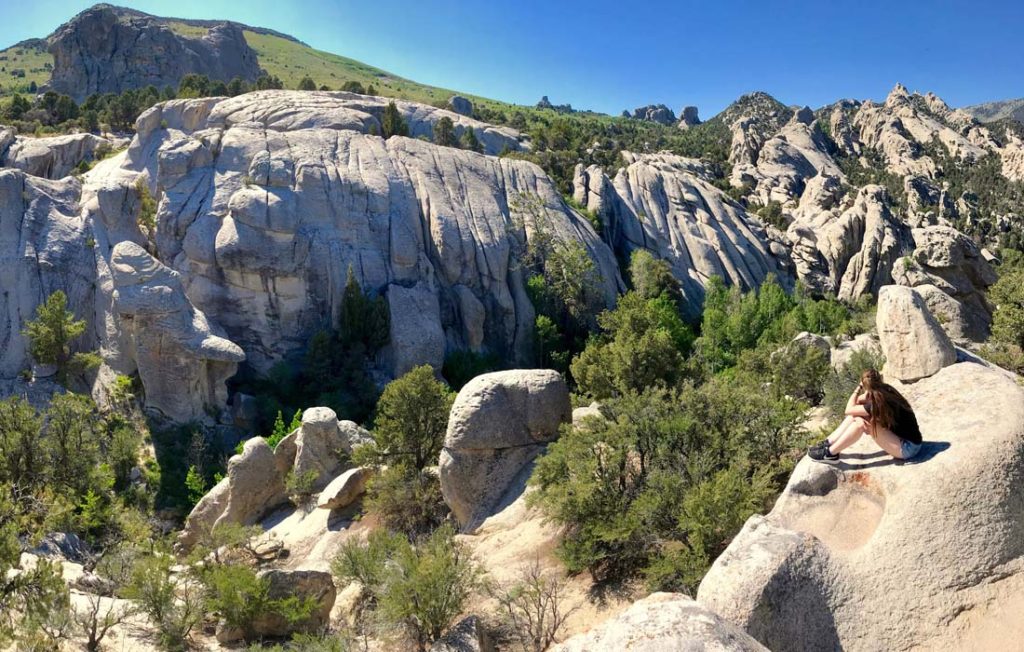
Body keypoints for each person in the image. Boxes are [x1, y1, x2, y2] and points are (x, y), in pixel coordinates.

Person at [808, 369, 923, 464]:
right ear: (880, 379)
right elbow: (856, 403)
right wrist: (858, 416)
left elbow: (848, 410)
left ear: (865, 386)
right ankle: (829, 442)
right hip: (906, 440)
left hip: (908, 448)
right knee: (857, 417)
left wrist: (858, 388)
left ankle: (830, 454)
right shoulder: (885, 389)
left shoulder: (878, 403)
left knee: (861, 425)